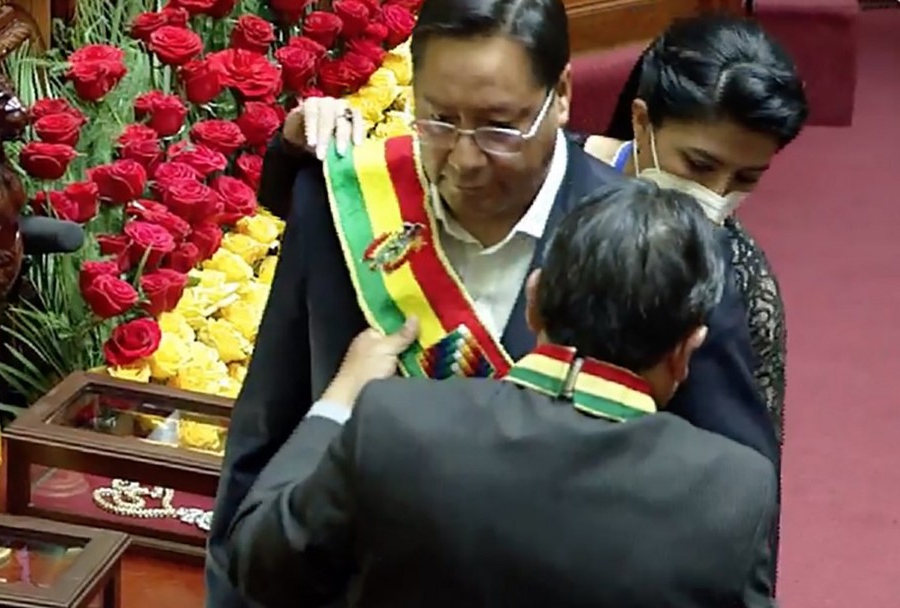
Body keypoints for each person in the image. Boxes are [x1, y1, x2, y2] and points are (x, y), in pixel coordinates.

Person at [204, 0, 623, 604]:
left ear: (559, 95)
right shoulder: (345, 207)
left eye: (499, 126)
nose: (465, 158)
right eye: (439, 121)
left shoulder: (638, 243)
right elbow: (265, 435)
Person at [225, 181, 778, 608]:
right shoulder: (733, 491)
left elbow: (260, 564)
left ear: (535, 301)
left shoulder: (395, 422)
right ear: (688, 348)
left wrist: (339, 400)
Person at [578, 14, 808, 442]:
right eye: (700, 165)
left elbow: (750, 468)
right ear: (642, 121)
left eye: (746, 179)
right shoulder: (554, 183)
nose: (715, 196)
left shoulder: (742, 278)